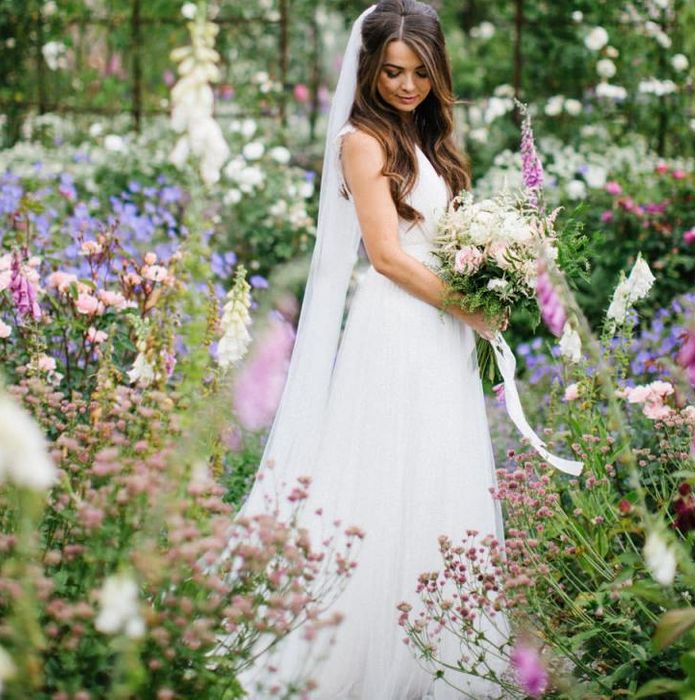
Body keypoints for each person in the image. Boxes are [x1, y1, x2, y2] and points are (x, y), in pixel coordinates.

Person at [236, 1, 516, 697]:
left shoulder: (432, 139)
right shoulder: (361, 141)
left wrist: (493, 267)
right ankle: (360, 653)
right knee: (385, 478)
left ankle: (440, 645)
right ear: (368, 69)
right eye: (392, 72)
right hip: (396, 327)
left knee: (438, 472)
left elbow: (443, 238)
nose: (406, 85)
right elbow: (387, 257)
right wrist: (470, 306)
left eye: (420, 72)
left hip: (440, 328)